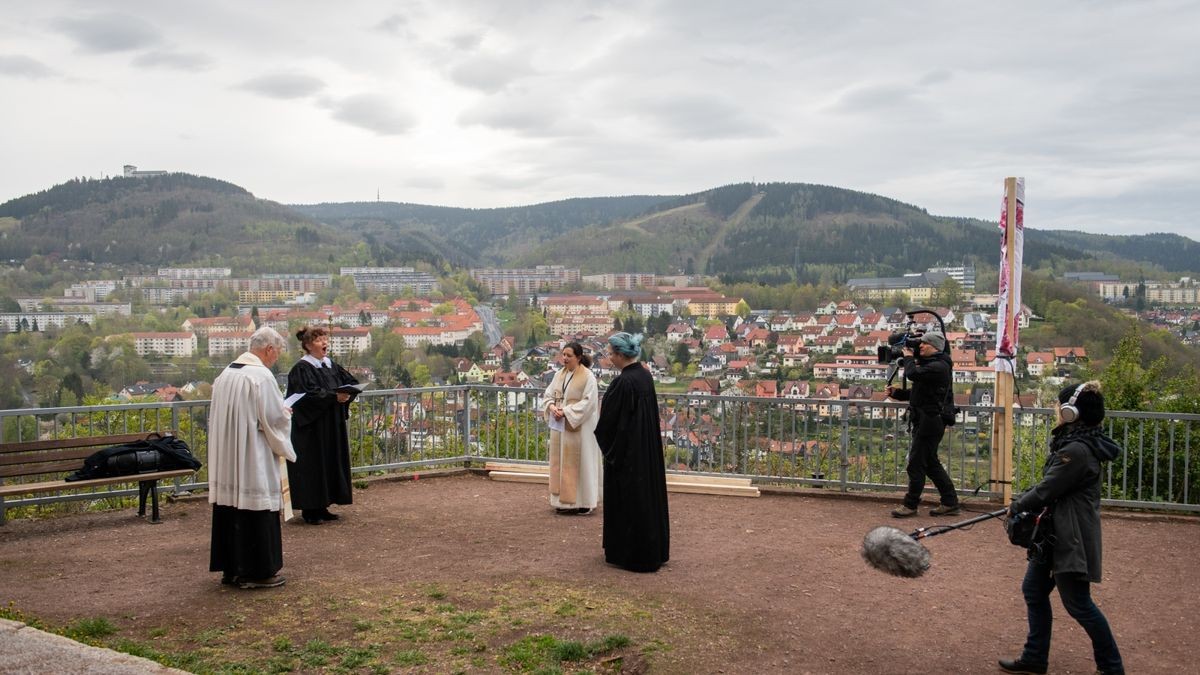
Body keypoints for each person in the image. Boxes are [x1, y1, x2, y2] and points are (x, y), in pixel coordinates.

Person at [999, 381, 1124, 675]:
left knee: (1079, 604)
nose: (1057, 410)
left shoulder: (1077, 451)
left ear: (1071, 413)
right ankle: (1034, 658)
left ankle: (1112, 668)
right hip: (1055, 534)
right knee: (1034, 590)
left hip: (1070, 537)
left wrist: (1015, 506)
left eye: (1060, 406)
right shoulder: (1078, 442)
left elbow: (1047, 489)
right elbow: (1050, 487)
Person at [208, 326, 296, 589]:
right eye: (277, 352)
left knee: (231, 508)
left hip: (228, 456)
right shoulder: (261, 376)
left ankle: (232, 569)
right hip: (252, 455)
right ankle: (259, 570)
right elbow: (273, 419)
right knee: (256, 506)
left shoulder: (226, 373)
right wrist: (287, 413)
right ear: (269, 349)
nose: (277, 357)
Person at [593, 331, 669, 573]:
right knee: (647, 500)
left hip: (627, 456)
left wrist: (611, 450)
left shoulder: (623, 382)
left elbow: (608, 424)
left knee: (630, 503)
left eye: (610, 353)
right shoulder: (645, 377)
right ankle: (652, 550)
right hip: (645, 452)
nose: (609, 358)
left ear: (619, 355)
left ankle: (632, 553)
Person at [286, 325, 361, 525]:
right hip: (312, 428)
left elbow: (350, 381)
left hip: (330, 425)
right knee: (313, 466)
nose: (324, 343)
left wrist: (348, 394)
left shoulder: (330, 365)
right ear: (309, 345)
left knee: (328, 463)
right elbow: (306, 395)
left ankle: (324, 505)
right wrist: (334, 396)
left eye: (325, 339)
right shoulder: (301, 368)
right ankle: (310, 510)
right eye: (319, 340)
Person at [885, 331, 960, 518]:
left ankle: (910, 505)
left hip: (931, 421)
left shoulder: (939, 367)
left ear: (934, 346)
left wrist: (908, 357)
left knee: (916, 464)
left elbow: (911, 374)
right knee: (930, 463)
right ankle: (950, 501)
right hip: (927, 420)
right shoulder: (934, 366)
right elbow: (919, 392)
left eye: (924, 344)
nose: (920, 347)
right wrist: (898, 394)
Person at [542, 342, 602, 514]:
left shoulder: (588, 377)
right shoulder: (559, 375)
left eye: (569, 355)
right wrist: (552, 407)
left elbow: (588, 403)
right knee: (561, 463)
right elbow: (548, 394)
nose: (565, 358)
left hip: (580, 429)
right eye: (563, 355)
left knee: (581, 462)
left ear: (579, 357)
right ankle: (564, 503)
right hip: (561, 426)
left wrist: (566, 411)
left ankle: (584, 502)